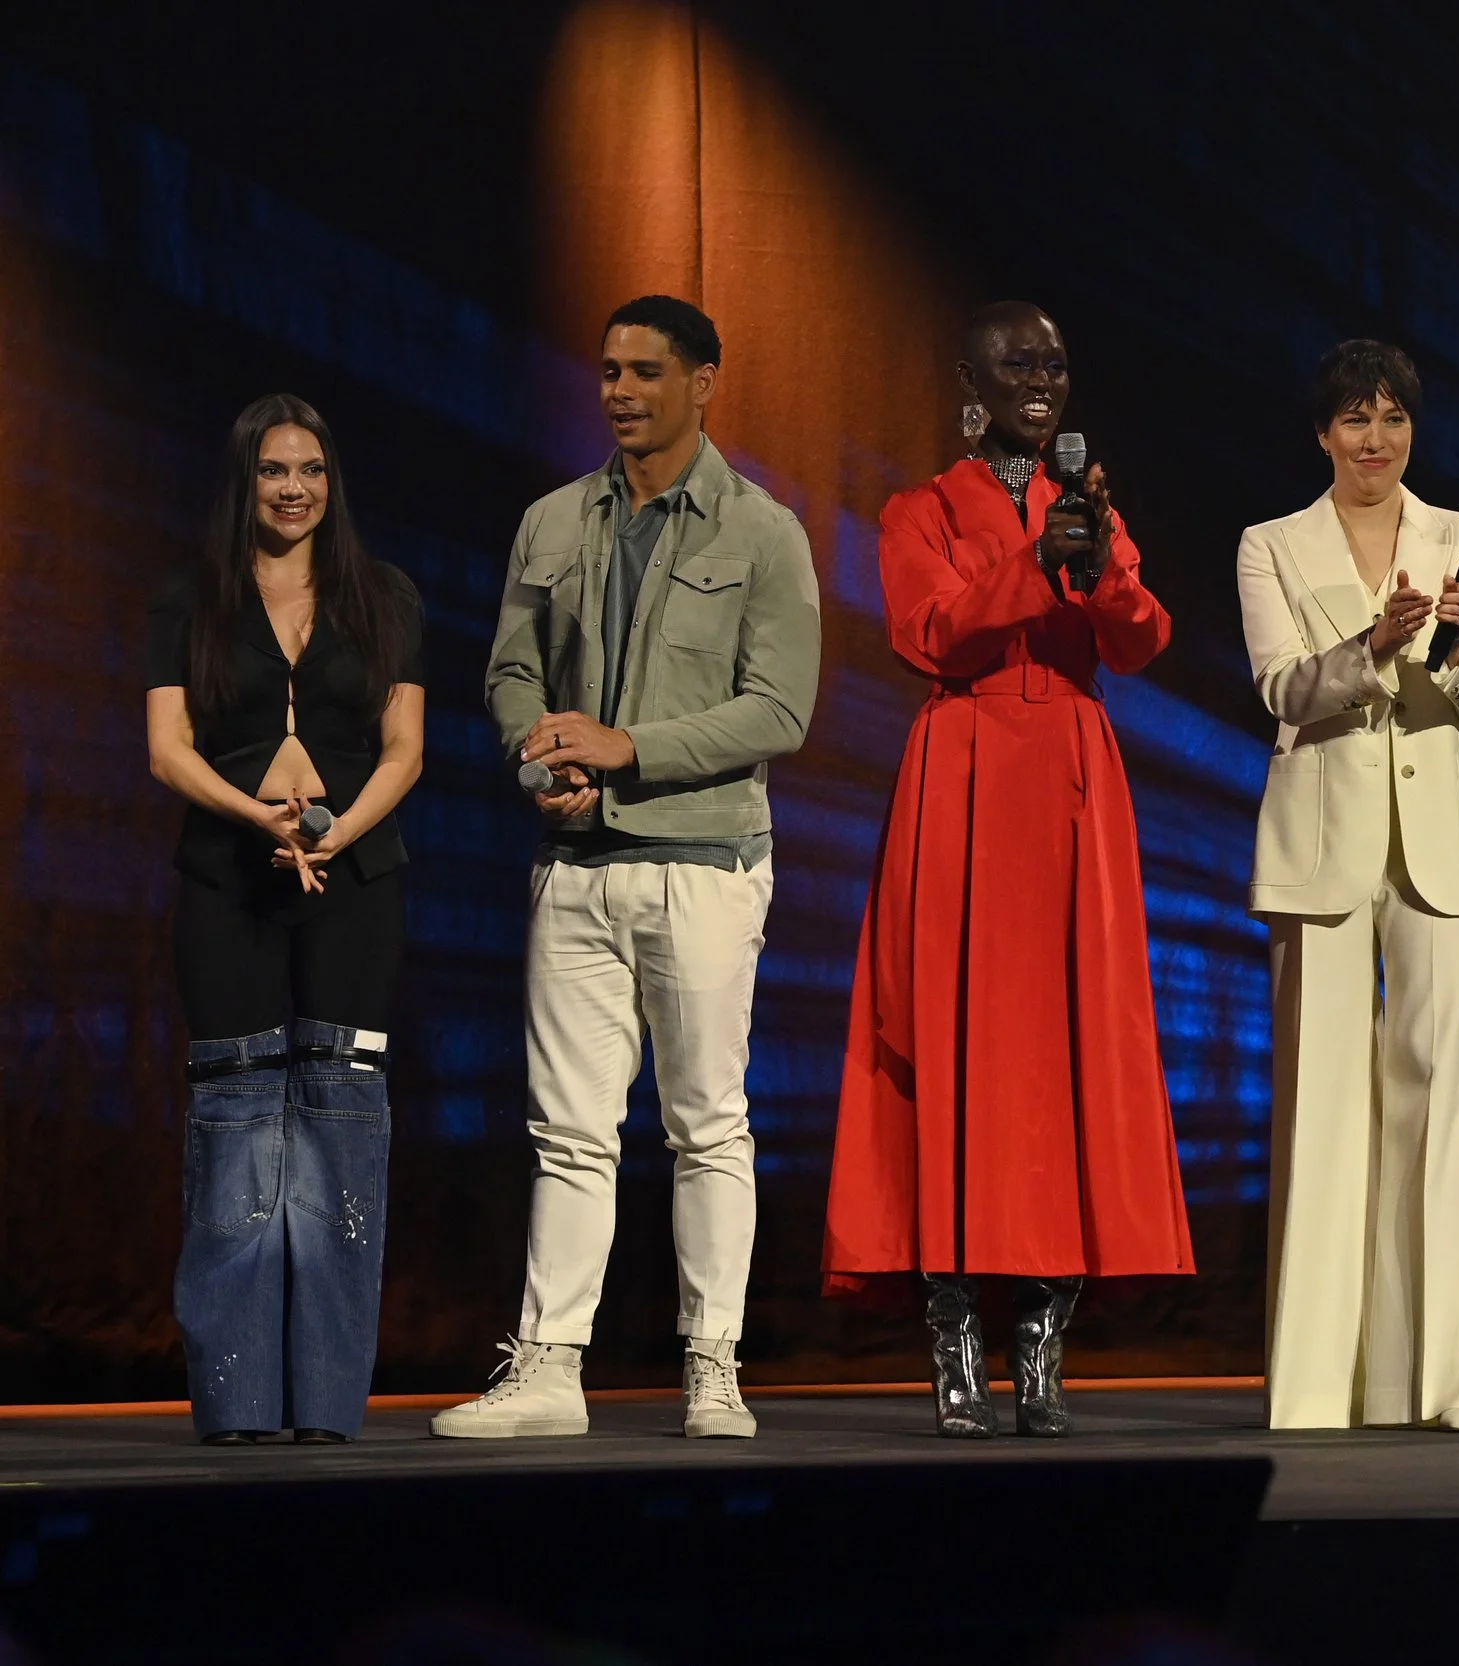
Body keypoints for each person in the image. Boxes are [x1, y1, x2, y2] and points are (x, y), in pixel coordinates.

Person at [434, 295, 820, 1440]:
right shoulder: (553, 519)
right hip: (574, 863)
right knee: (567, 1131)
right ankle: (550, 1369)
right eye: (608, 370)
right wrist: (542, 752)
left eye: (645, 371)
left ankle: (714, 1368)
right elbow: (511, 672)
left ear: (703, 383)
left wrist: (626, 747)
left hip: (702, 863)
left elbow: (780, 709)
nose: (619, 390)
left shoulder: (763, 531)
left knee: (706, 1123)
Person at [822, 302, 1194, 1439]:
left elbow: (1142, 638)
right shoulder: (924, 508)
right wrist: (1033, 565)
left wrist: (1099, 563)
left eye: (1056, 364)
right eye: (1018, 363)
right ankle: (954, 1341)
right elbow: (927, 632)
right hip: (968, 775)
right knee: (955, 1044)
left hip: (1072, 778)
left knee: (1067, 1052)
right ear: (971, 384)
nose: (1042, 379)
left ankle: (1041, 1348)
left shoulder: (1086, 501)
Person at [1236, 339, 1459, 1432]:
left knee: (1448, 1104)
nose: (1376, 439)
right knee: (1324, 1103)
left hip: (1444, 842)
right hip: (1324, 843)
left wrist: (1455, 648)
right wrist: (1373, 641)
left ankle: (1449, 1383)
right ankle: (1316, 1386)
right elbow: (1282, 687)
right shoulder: (1272, 543)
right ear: (1323, 433)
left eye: (1393, 417)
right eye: (1355, 419)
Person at [144, 393, 426, 1445]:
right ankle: (238, 1406)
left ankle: (325, 1407)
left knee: (338, 1129)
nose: (294, 488)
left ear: (331, 480)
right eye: (273, 471)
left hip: (355, 882)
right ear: (245, 482)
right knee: (238, 1125)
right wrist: (254, 815)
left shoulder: (384, 594)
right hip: (230, 880)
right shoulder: (190, 598)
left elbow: (406, 748)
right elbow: (167, 749)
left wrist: (336, 832)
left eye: (310, 469)